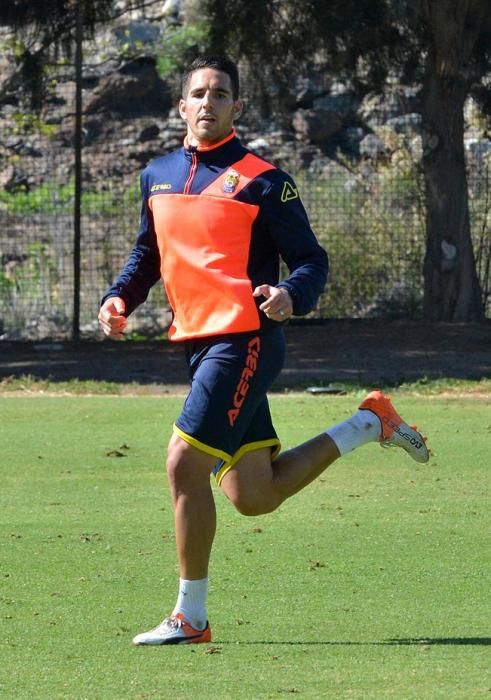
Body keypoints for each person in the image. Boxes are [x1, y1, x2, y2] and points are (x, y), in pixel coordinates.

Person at [98, 55, 429, 646]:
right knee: (254, 495)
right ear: (181, 106)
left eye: (220, 94)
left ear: (237, 108)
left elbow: (311, 260)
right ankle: (366, 423)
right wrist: (119, 298)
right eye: (197, 93)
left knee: (183, 465)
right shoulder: (158, 176)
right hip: (198, 347)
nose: (207, 102)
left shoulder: (265, 181)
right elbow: (146, 256)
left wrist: (288, 294)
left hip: (245, 339)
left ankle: (189, 617)